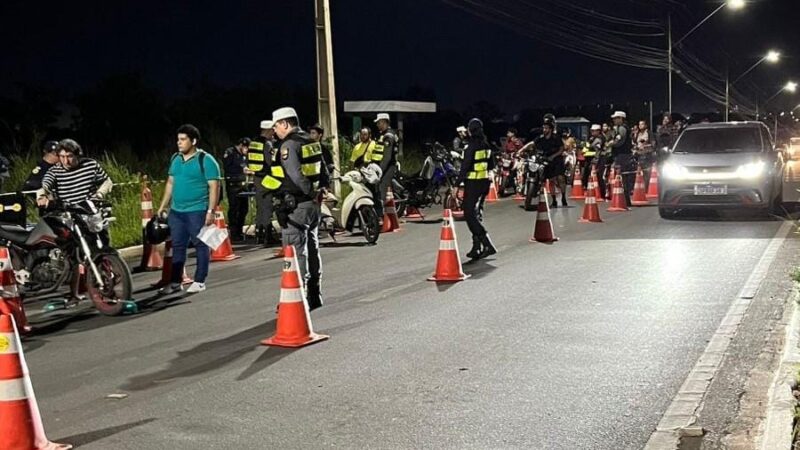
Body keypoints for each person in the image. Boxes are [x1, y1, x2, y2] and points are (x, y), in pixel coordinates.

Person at [261, 107, 327, 311]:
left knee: (296, 253)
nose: (275, 130)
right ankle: (315, 294)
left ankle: (298, 299)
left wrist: (308, 193)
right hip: (313, 206)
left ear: (285, 124)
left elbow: (296, 176)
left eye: (276, 126)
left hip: (297, 205)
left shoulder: (288, 145)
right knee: (313, 249)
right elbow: (323, 170)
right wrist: (319, 193)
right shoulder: (310, 141)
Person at [36, 139, 113, 305]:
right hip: (70, 216)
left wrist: (99, 194)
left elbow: (107, 181)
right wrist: (41, 196)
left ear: (77, 155)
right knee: (74, 255)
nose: (65, 160)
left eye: (69, 156)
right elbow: (44, 186)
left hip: (90, 212)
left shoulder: (91, 165)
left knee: (103, 246)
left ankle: (110, 277)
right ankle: (74, 293)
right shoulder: (55, 171)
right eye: (62, 156)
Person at [157, 124, 221, 295]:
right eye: (178, 139)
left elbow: (214, 187)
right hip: (176, 212)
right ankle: (176, 282)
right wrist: (163, 206)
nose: (179, 143)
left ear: (193, 141)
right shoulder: (175, 159)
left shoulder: (206, 160)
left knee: (200, 245)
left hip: (197, 210)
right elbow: (170, 183)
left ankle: (200, 281)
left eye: (183, 139)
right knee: (177, 246)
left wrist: (211, 211)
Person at [458, 118, 497, 260]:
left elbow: (465, 167)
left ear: (470, 130)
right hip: (484, 184)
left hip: (473, 184)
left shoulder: (470, 146)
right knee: (475, 214)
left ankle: (486, 243)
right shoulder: (486, 145)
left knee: (469, 214)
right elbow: (492, 165)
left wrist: (456, 185)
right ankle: (476, 247)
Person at [248, 120, 279, 246]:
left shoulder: (253, 143)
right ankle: (268, 236)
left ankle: (259, 234)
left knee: (260, 207)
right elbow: (270, 162)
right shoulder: (267, 144)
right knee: (267, 206)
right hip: (266, 178)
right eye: (273, 130)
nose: (274, 132)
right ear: (268, 130)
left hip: (256, 177)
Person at [371, 113, 399, 222]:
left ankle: (380, 218)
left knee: (381, 189)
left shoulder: (389, 136)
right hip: (380, 166)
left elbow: (387, 157)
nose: (378, 124)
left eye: (379, 122)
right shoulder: (382, 134)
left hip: (388, 167)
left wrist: (380, 171)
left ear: (385, 122)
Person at [535, 117, 568, 208]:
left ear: (550, 129)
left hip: (557, 160)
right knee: (551, 181)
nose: (544, 129)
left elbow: (561, 149)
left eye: (546, 128)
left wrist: (553, 156)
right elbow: (532, 144)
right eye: (543, 127)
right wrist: (522, 150)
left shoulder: (556, 137)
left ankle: (563, 198)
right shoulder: (541, 138)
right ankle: (554, 200)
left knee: (561, 179)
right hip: (548, 161)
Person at [223, 137, 250, 242]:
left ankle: (240, 231)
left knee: (244, 208)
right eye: (246, 148)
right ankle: (234, 233)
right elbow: (227, 167)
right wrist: (241, 169)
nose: (247, 151)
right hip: (233, 184)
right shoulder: (230, 152)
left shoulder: (243, 155)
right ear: (241, 145)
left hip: (242, 184)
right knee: (234, 208)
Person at [610, 111, 634, 207]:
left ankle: (625, 199)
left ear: (621, 118)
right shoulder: (621, 128)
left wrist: (611, 144)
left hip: (622, 155)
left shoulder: (622, 128)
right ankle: (625, 199)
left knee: (622, 176)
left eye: (616, 118)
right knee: (624, 176)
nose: (614, 120)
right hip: (624, 154)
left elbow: (620, 141)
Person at [633, 120, 655, 188]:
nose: (640, 126)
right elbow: (635, 143)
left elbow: (653, 143)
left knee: (646, 172)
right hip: (639, 155)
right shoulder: (638, 134)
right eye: (639, 124)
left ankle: (647, 187)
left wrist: (646, 146)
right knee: (639, 172)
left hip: (647, 154)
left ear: (645, 125)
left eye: (642, 124)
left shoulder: (649, 133)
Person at [583, 124, 604, 190]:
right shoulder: (591, 138)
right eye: (591, 131)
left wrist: (586, 152)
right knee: (587, 172)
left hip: (597, 159)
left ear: (598, 131)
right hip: (589, 158)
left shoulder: (599, 139)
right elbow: (586, 147)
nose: (592, 132)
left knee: (597, 175)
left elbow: (596, 151)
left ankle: (599, 190)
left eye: (594, 131)